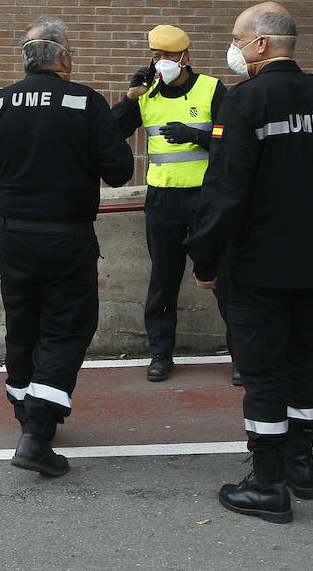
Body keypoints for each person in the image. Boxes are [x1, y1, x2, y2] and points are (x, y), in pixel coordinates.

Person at [186, 2, 313, 523]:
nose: (234, 49)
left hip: (257, 267)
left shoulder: (245, 103)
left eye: (237, 39)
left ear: (261, 44)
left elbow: (225, 193)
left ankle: (267, 483)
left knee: (263, 371)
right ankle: (301, 465)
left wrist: (204, 258)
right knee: (304, 366)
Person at [0, 15, 135, 477]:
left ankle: (25, 410)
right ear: (64, 59)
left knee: (23, 320)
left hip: (14, 236)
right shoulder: (86, 103)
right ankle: (37, 430)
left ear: (27, 60)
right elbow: (120, 172)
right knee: (67, 326)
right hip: (68, 236)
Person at [110, 25, 230, 383]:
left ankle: (243, 353)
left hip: (206, 200)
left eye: (167, 56)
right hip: (163, 201)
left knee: (224, 275)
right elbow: (110, 132)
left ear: (186, 57)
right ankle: (161, 354)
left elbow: (233, 138)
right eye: (155, 55)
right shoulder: (148, 93)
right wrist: (131, 97)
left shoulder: (211, 89)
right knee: (163, 278)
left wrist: (198, 135)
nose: (161, 62)